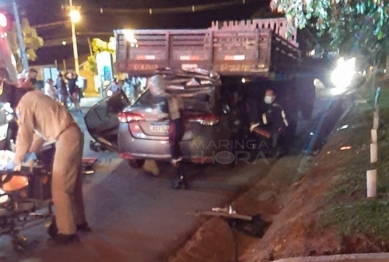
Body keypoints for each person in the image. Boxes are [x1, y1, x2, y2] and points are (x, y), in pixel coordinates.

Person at [12, 90, 90, 244]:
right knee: (73, 185)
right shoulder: (36, 97)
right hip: (73, 133)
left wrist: (17, 161)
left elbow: (24, 134)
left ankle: (67, 232)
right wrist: (29, 153)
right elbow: (39, 135)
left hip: (66, 137)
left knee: (59, 186)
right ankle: (79, 221)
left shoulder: (24, 104)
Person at [250, 89, 289, 158]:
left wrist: (256, 124)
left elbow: (269, 119)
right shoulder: (269, 106)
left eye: (268, 95)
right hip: (274, 127)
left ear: (274, 97)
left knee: (256, 129)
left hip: (277, 128)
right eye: (266, 95)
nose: (266, 97)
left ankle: (274, 150)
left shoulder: (276, 107)